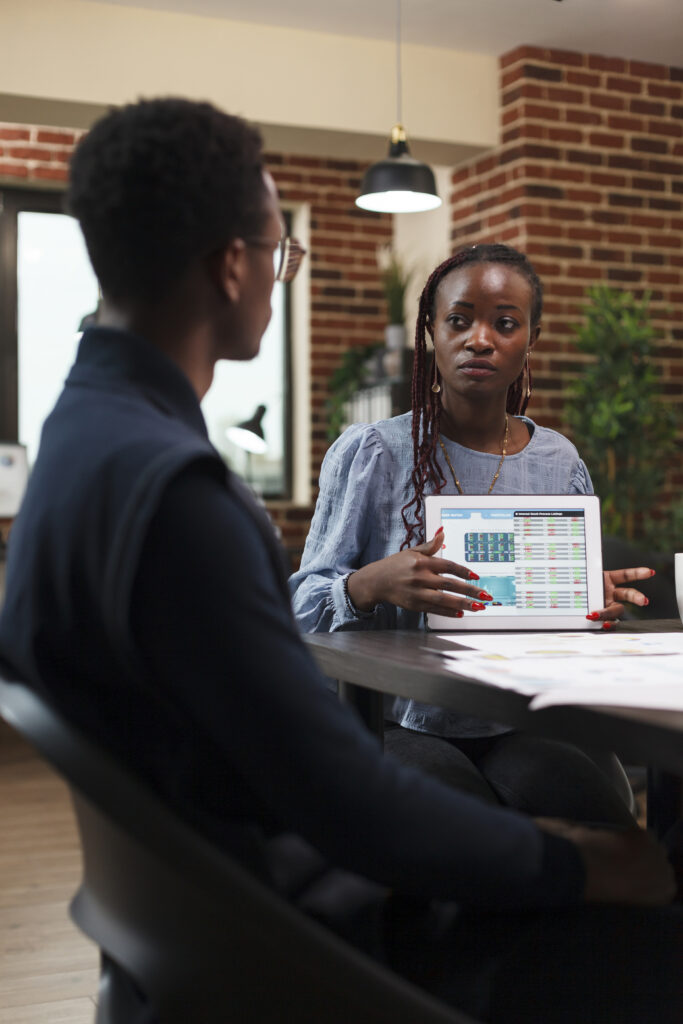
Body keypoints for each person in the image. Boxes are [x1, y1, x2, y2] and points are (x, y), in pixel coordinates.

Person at [0, 99, 679, 1024]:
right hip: (294, 939)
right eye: (285, 254)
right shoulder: (181, 495)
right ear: (235, 264)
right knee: (653, 923)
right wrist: (576, 861)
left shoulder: (85, 440)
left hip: (200, 911)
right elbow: (346, 796)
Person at [290, 244, 651, 822]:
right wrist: (367, 584)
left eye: (505, 323)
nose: (479, 338)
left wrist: (581, 597)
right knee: (459, 825)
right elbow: (297, 611)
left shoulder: (559, 461)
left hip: (519, 718)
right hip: (398, 716)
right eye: (459, 320)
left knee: (598, 816)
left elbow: (558, 623)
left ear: (531, 337)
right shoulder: (374, 453)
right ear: (431, 331)